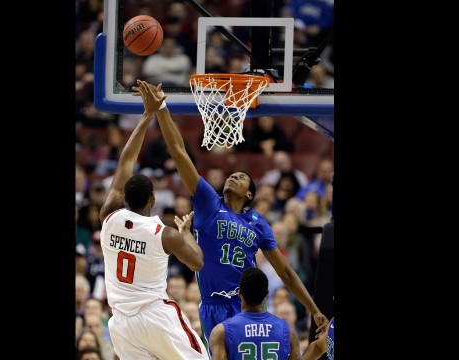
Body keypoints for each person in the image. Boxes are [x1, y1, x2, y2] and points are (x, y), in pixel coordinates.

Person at [135, 81, 328, 347]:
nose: (233, 176)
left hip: (248, 307)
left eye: (241, 177)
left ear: (250, 195)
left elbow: (285, 271)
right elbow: (179, 153)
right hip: (213, 304)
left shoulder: (259, 224)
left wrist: (312, 308)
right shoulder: (208, 203)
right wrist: (162, 108)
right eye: (232, 175)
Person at [98, 80, 208, 359]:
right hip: (156, 316)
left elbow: (125, 162)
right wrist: (185, 233)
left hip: (121, 322)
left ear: (125, 197)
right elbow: (197, 262)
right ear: (153, 199)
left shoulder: (109, 216)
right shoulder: (165, 233)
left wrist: (146, 116)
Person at [209, 268, 329, 360]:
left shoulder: (221, 331)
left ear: (240, 293)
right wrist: (320, 344)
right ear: (266, 293)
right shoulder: (286, 329)